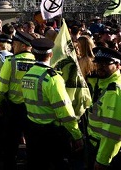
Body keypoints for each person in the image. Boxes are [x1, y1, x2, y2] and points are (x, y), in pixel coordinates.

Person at [21, 37, 84, 170]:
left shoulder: (28, 74)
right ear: (50, 55)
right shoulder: (53, 78)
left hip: (32, 129)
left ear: (34, 53)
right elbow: (64, 111)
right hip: (51, 133)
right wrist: (77, 135)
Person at [87, 46, 121, 170]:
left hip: (111, 152)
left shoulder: (116, 92)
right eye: (98, 63)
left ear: (117, 65)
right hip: (102, 146)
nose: (100, 66)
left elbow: (112, 132)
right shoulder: (104, 82)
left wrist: (102, 160)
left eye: (105, 63)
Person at [0, 30, 36, 170]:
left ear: (23, 46)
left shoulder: (11, 61)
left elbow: (2, 86)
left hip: (13, 109)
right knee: (31, 142)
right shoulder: (36, 61)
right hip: (32, 108)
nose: (13, 47)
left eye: (15, 44)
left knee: (11, 143)